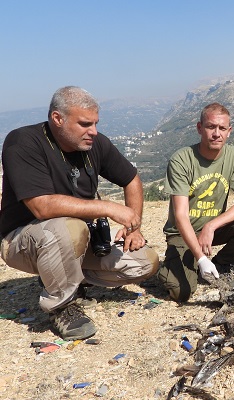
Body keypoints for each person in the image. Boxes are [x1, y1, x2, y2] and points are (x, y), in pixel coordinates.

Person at [0, 86, 159, 340]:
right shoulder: (23, 142)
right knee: (68, 228)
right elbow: (42, 206)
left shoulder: (95, 144)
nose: (93, 131)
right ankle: (61, 306)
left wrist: (134, 229)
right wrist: (107, 207)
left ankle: (70, 277)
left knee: (144, 262)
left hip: (77, 241)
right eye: (85, 124)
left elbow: (131, 179)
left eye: (95, 123)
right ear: (57, 119)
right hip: (21, 241)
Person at [158, 102, 234, 302]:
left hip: (212, 231)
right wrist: (200, 258)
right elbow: (181, 216)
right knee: (181, 292)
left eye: (222, 128)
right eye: (211, 127)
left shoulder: (233, 156)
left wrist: (211, 226)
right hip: (183, 234)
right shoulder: (181, 160)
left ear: (229, 131)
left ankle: (222, 264)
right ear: (200, 128)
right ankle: (168, 267)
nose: (217, 133)